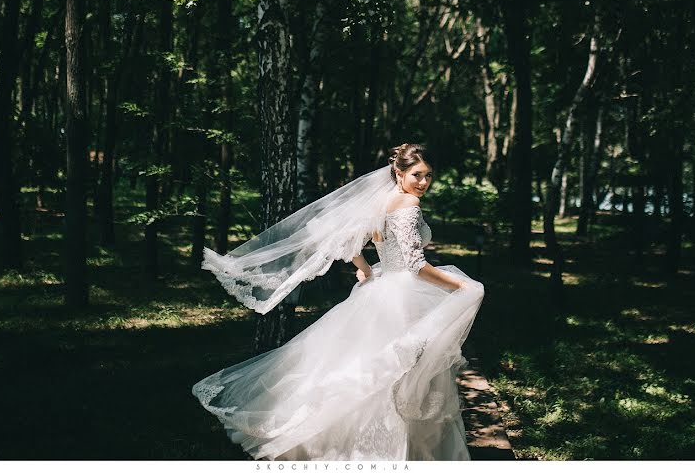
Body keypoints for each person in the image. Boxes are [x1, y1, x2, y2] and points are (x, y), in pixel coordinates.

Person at [193, 143, 486, 460]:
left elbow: (350, 243)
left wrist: (367, 271)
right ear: (399, 172)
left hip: (383, 288)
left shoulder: (381, 202)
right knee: (396, 375)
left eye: (428, 176)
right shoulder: (408, 203)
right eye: (417, 175)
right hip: (401, 294)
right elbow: (416, 264)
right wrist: (461, 284)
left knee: (372, 370)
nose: (423, 183)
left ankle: (359, 449)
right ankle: (388, 453)